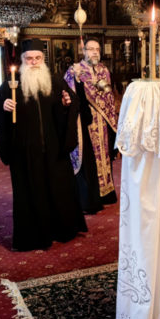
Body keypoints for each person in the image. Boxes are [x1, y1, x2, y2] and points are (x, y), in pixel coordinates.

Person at [0, 38, 87, 251]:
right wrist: (3, 105)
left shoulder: (55, 81)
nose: (33, 62)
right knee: (31, 193)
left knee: (59, 189)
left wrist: (67, 104)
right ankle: (34, 236)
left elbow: (73, 102)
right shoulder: (12, 84)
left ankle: (63, 230)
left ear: (43, 59)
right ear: (23, 60)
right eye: (29, 58)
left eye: (37, 58)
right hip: (26, 151)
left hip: (54, 148)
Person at [64, 37, 118, 213]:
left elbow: (109, 97)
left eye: (97, 49)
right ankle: (91, 198)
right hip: (84, 123)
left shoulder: (104, 70)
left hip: (103, 122)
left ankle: (106, 193)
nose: (95, 52)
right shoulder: (74, 70)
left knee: (105, 157)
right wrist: (76, 79)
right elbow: (69, 96)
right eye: (91, 49)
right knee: (89, 160)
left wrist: (111, 120)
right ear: (84, 51)